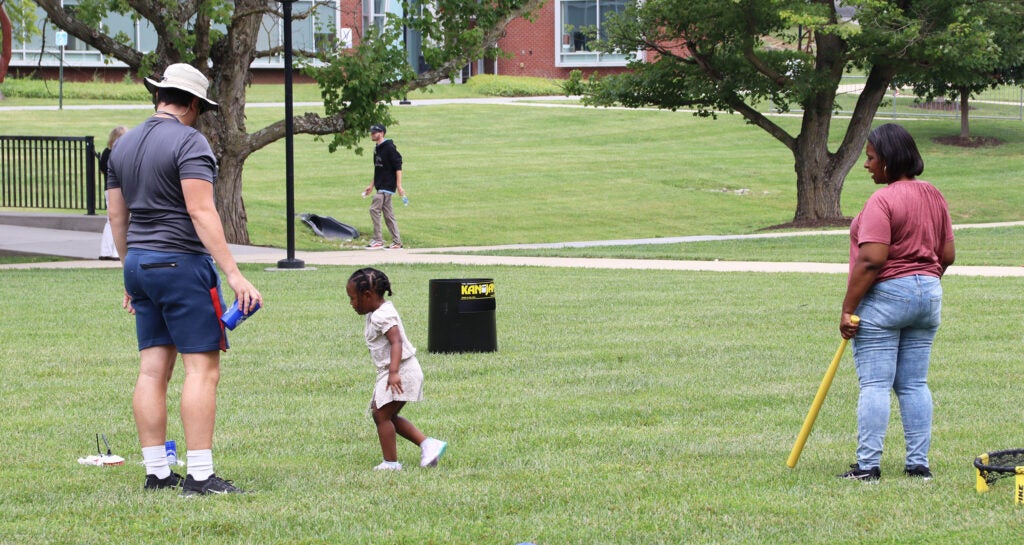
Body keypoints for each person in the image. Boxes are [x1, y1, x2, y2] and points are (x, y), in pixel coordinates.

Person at [106, 63, 263, 495]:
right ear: (193, 103)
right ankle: (199, 475)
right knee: (202, 370)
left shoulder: (122, 145)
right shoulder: (190, 141)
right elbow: (201, 211)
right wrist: (233, 274)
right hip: (180, 265)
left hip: (139, 263)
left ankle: (157, 472)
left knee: (152, 371)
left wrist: (127, 270)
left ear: (159, 96)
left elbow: (117, 217)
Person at [838, 123, 955, 482]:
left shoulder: (882, 200)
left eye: (871, 158)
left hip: (888, 295)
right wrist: (921, 284)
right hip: (929, 295)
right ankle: (918, 465)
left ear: (889, 160)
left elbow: (872, 259)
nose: (867, 165)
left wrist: (848, 308)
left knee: (875, 383)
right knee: (914, 383)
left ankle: (868, 466)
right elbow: (947, 255)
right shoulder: (934, 195)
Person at [345, 267, 446, 470]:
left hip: (401, 370)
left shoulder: (381, 316)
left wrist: (393, 373)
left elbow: (396, 342)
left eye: (353, 298)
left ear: (368, 295)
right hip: (396, 370)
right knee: (385, 415)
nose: (351, 303)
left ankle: (391, 463)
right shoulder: (377, 312)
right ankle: (428, 444)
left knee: (380, 415)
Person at [361, 124, 407, 250]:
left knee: (374, 209)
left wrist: (399, 185)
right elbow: (378, 169)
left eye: (373, 133)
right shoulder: (377, 148)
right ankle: (397, 242)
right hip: (380, 185)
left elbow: (398, 166)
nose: (371, 135)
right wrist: (371, 185)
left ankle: (378, 240)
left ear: (381, 133)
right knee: (388, 215)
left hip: (386, 186)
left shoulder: (389, 147)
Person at [97, 126, 127, 260]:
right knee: (120, 220)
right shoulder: (121, 153)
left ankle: (106, 251)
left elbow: (103, 169)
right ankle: (116, 251)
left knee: (110, 221)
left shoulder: (106, 153)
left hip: (108, 190)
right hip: (120, 190)